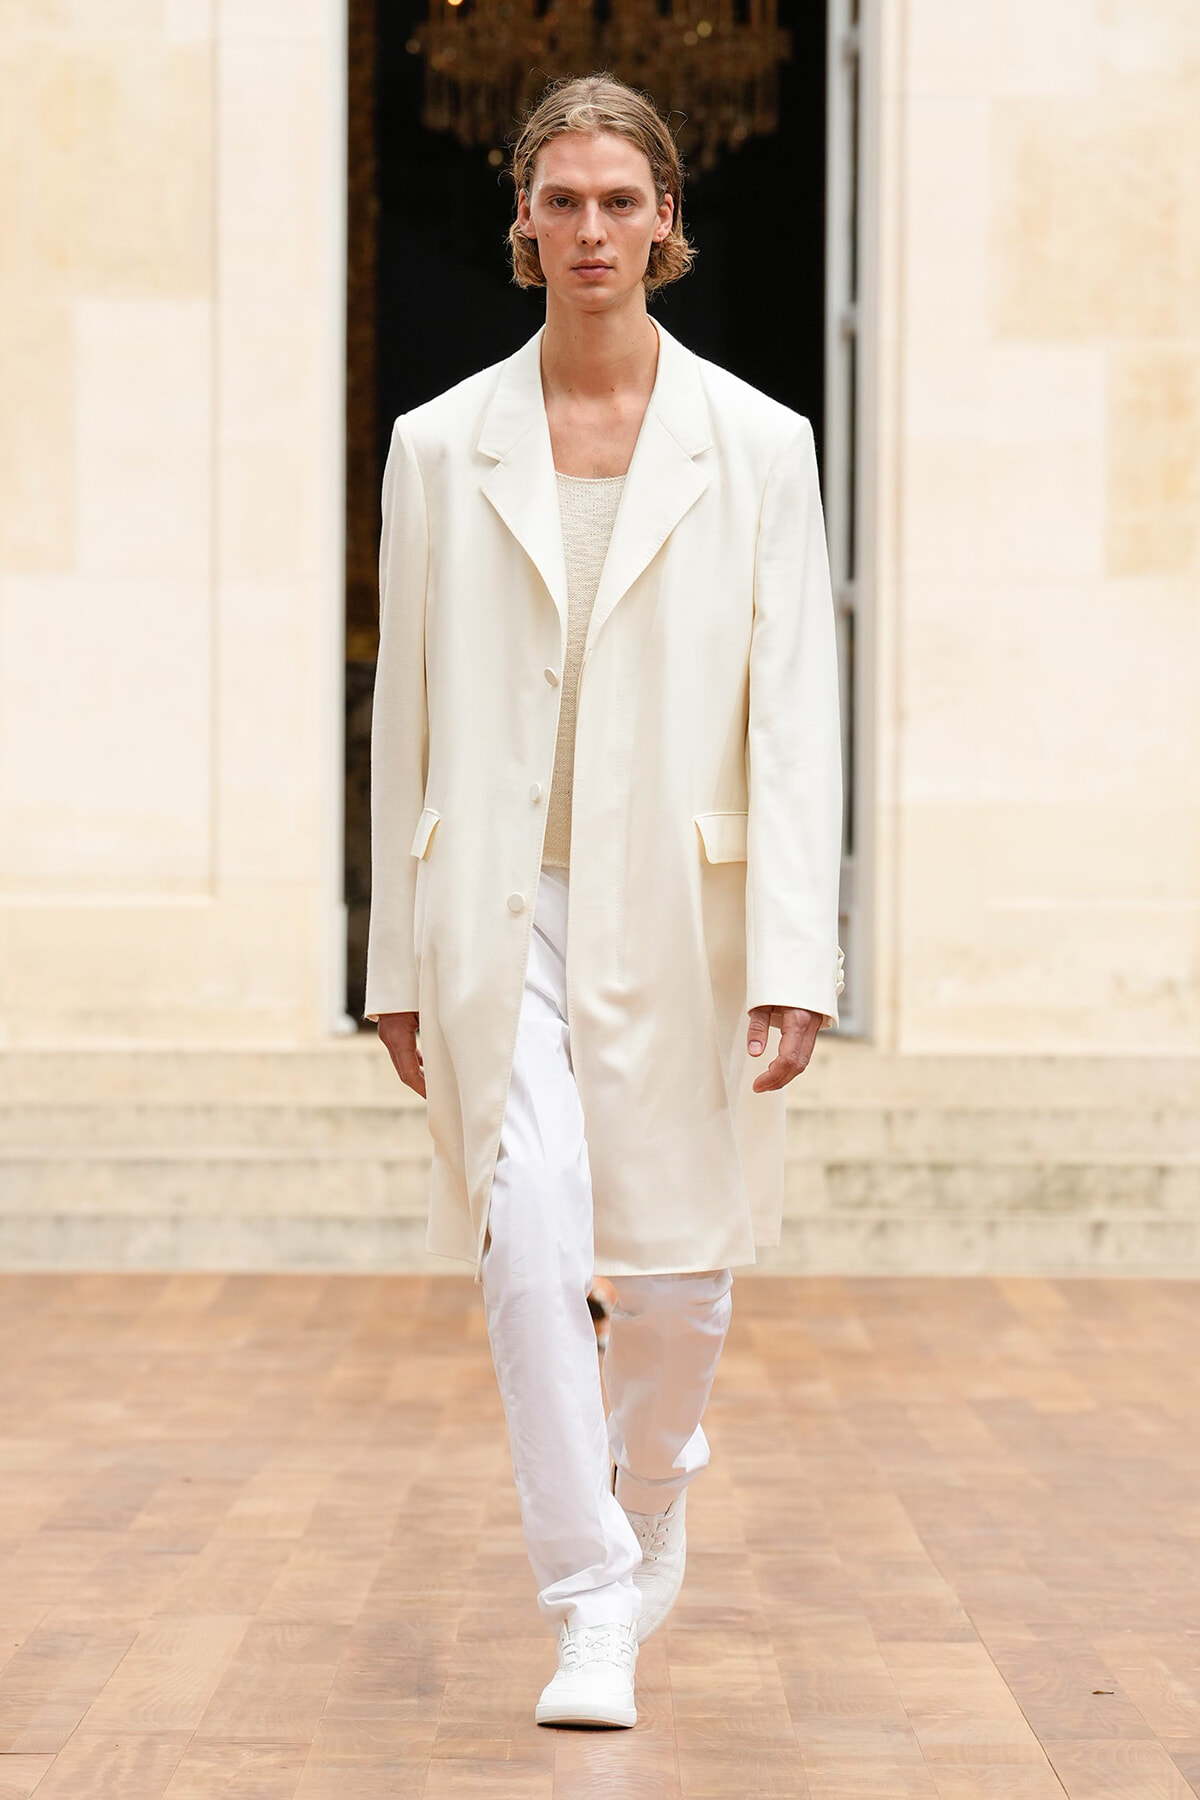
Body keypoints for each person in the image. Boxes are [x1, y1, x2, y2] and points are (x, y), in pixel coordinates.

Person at [366, 73, 844, 1729]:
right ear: (520, 221)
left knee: (679, 1281)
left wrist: (801, 950)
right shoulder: (439, 449)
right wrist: (391, 963)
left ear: (667, 223)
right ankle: (587, 1598)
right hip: (497, 914)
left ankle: (655, 1482)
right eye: (560, 201)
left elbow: (797, 720)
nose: (590, 231)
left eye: (617, 202)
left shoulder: (762, 447)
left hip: (689, 917)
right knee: (530, 1236)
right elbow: (406, 725)